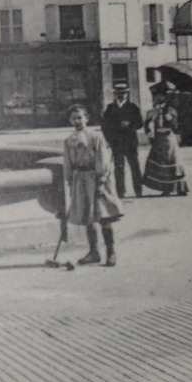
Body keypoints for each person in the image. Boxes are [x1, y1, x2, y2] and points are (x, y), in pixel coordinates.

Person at [64, 103, 123, 266]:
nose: (77, 121)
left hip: (95, 178)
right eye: (73, 118)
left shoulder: (95, 137)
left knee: (103, 215)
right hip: (80, 179)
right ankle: (94, 251)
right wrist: (70, 181)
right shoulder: (69, 140)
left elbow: (103, 160)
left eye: (80, 117)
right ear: (69, 121)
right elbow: (67, 162)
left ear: (87, 119)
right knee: (88, 216)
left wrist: (101, 180)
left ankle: (111, 252)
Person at [142, 85, 190, 196]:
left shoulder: (170, 110)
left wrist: (168, 116)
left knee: (173, 162)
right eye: (155, 96)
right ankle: (166, 188)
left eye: (159, 96)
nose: (156, 98)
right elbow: (146, 124)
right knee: (160, 162)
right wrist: (149, 134)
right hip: (158, 139)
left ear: (164, 97)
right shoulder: (153, 111)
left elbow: (175, 126)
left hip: (168, 138)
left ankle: (180, 188)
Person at [100, 85, 144, 198]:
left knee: (134, 166)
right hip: (117, 142)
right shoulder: (110, 108)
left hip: (130, 141)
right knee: (119, 167)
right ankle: (120, 192)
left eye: (123, 93)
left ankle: (138, 190)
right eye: (118, 93)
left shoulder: (133, 107)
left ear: (127, 94)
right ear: (115, 94)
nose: (121, 95)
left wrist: (130, 124)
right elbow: (104, 125)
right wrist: (109, 139)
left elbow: (140, 123)